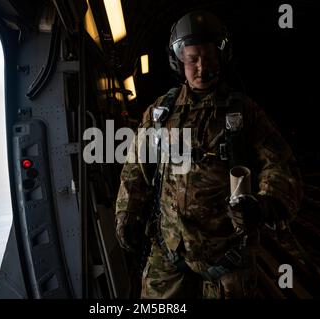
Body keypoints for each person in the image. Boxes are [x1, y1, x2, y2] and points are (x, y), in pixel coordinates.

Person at [115, 10, 303, 299]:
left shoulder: (243, 112)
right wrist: (127, 213)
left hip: (229, 251)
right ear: (179, 61)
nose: (202, 67)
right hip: (170, 247)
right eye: (193, 59)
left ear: (222, 58)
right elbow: (135, 167)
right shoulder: (160, 113)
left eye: (210, 57)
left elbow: (279, 164)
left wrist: (264, 204)